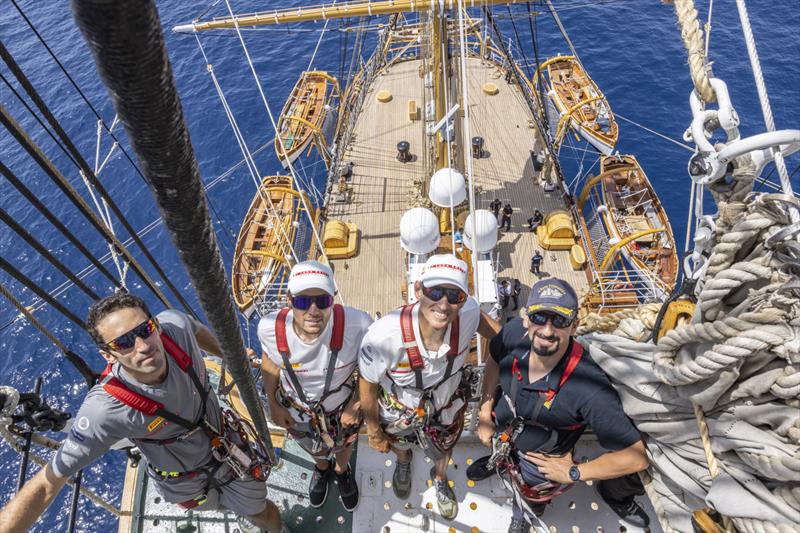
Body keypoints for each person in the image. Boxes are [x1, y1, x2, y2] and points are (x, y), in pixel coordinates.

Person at [0, 293, 283, 533]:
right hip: (184, 482)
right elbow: (47, 484)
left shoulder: (174, 327)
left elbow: (196, 331)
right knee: (217, 504)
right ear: (108, 355)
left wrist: (227, 355)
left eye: (145, 329)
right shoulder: (106, 410)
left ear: (155, 325)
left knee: (261, 512)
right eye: (124, 342)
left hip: (230, 452)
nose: (143, 345)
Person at [475, 278, 650, 533]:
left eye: (559, 321)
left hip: (542, 461)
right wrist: (484, 412)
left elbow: (636, 457)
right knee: (504, 460)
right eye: (539, 317)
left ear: (574, 326)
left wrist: (574, 473)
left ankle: (526, 510)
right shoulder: (514, 332)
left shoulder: (587, 387)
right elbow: (493, 357)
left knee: (532, 493)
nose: (547, 330)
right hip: (501, 432)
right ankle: (499, 465)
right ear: (526, 319)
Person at [358, 254, 500, 521]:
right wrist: (374, 428)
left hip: (446, 403)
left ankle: (439, 477)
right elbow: (367, 381)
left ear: (464, 300)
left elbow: (499, 336)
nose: (443, 304)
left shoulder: (468, 314)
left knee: (445, 445)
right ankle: (404, 462)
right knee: (398, 439)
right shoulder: (383, 336)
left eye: (454, 295)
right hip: (400, 407)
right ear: (418, 290)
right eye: (434, 291)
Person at [259, 261, 372, 512]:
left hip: (342, 407)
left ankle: (342, 470)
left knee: (344, 443)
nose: (313, 310)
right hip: (297, 410)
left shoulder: (358, 325)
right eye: (302, 302)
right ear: (289, 300)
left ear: (332, 299)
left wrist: (356, 402)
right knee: (310, 444)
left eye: (322, 301)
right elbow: (270, 361)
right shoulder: (270, 329)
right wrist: (273, 402)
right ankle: (322, 468)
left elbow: (370, 367)